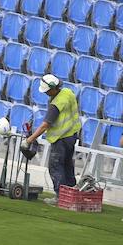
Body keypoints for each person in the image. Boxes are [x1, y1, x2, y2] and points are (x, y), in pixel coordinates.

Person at [22, 74, 81, 206]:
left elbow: (45, 125)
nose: (47, 93)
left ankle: (60, 197)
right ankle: (71, 194)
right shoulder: (68, 92)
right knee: (67, 165)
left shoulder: (56, 104)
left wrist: (30, 140)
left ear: (53, 89)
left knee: (55, 167)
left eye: (48, 91)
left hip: (60, 138)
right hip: (72, 136)